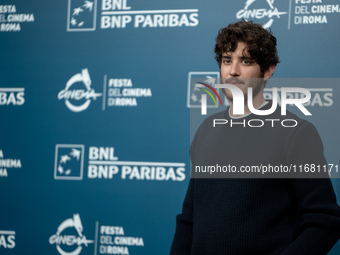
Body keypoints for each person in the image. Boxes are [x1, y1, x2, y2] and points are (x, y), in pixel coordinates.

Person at [170, 20, 340, 254]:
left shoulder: (294, 132)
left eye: (246, 61)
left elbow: (325, 219)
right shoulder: (206, 130)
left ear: (268, 70)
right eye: (227, 60)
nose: (233, 71)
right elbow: (190, 218)